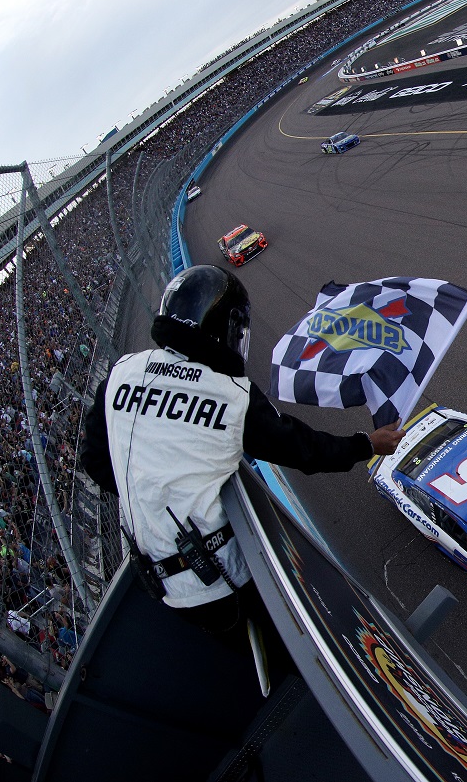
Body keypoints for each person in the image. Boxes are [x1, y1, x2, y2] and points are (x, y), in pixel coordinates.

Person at [80, 265, 404, 669]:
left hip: (159, 582)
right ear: (227, 328)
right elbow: (303, 450)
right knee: (295, 658)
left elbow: (94, 461)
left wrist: (151, 487)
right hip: (228, 579)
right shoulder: (231, 395)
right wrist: (366, 444)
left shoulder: (121, 372)